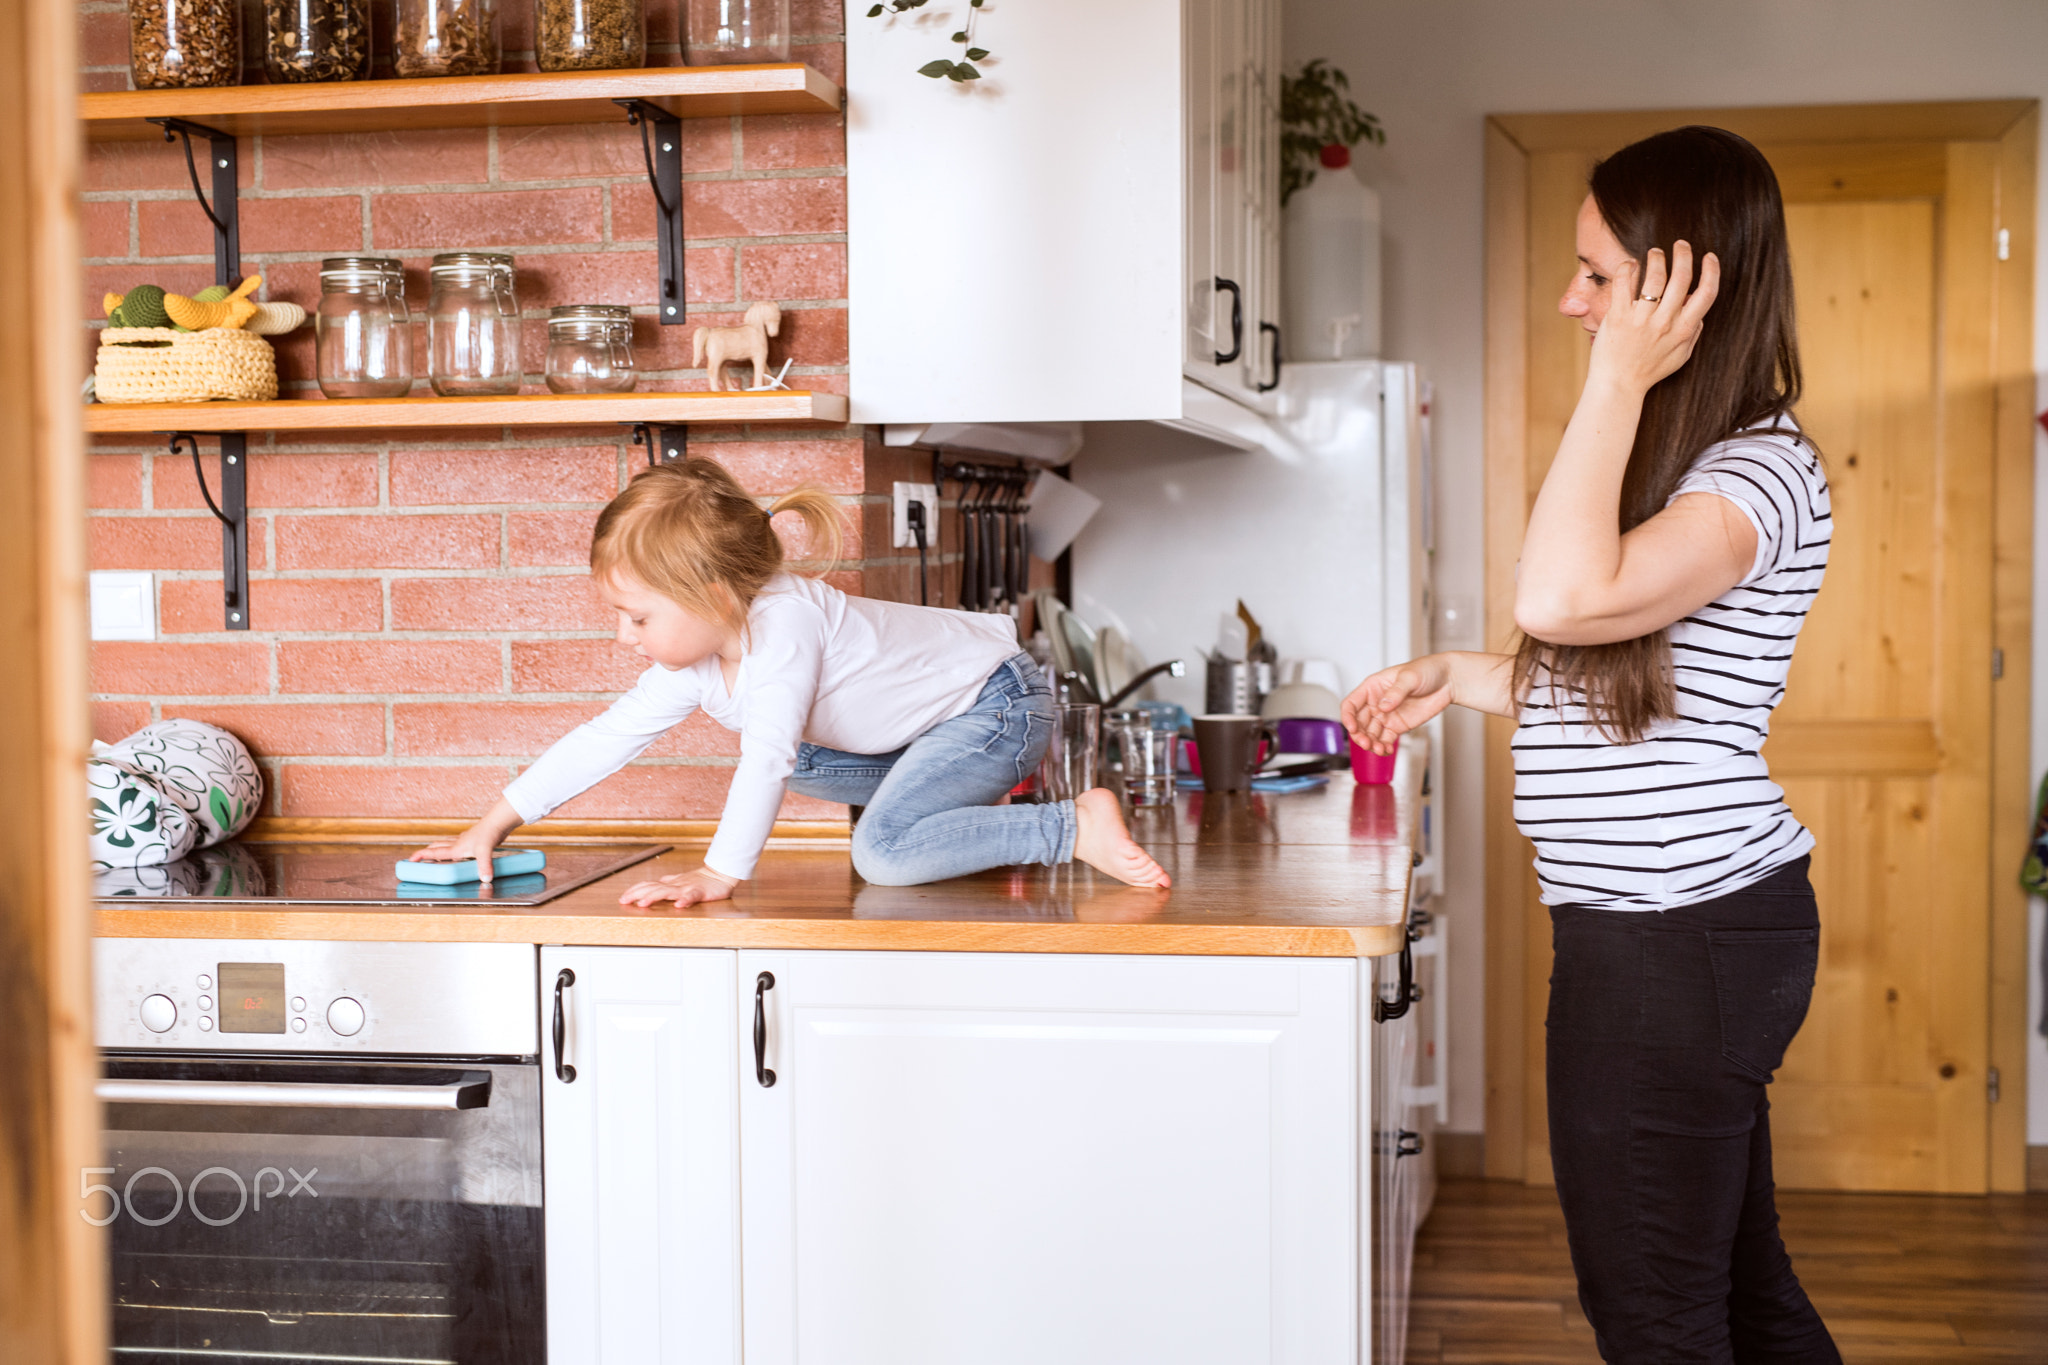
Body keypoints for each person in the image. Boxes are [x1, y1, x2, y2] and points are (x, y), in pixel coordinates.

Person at [1343, 126, 1838, 1364]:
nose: (1571, 301)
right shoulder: (1682, 466)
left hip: (1678, 940)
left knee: (1656, 1319)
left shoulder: (1755, 475)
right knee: (1733, 1288)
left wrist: (1613, 379)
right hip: (1670, 935)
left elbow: (1561, 601)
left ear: (1681, 288)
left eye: (1598, 277)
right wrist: (1457, 676)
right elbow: (1633, 688)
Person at [414, 458, 1170, 903]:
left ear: (712, 597)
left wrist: (718, 873)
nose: (623, 637)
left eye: (637, 618)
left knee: (882, 854)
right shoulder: (703, 654)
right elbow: (605, 737)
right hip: (935, 732)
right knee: (793, 757)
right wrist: (490, 825)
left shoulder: (783, 628)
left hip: (998, 704)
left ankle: (1071, 825)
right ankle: (960, 797)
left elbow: (766, 759)